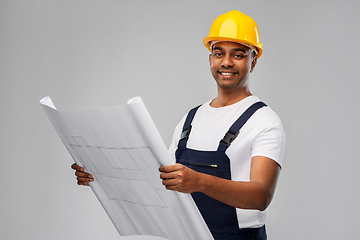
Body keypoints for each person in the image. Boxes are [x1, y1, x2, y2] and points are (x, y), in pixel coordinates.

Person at [72, 10, 285, 240]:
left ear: (254, 60)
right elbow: (161, 183)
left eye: (238, 54)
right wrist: (99, 176)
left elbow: (261, 196)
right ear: (210, 58)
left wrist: (199, 182)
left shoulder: (264, 120)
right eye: (218, 52)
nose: (226, 62)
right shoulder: (190, 120)